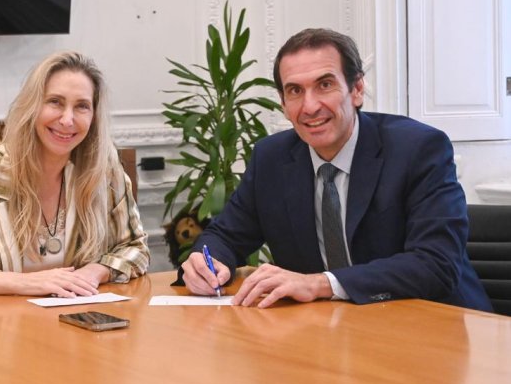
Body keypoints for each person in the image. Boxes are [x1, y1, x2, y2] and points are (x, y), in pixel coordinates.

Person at [181, 28, 492, 311]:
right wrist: (207, 261)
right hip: (330, 330)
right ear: (283, 103)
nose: (310, 106)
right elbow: (225, 235)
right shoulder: (271, 158)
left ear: (357, 89)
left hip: (432, 325)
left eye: (325, 85)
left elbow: (436, 264)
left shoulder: (418, 149)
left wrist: (321, 284)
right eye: (295, 91)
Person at [0, 51, 149, 297]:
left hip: (77, 316)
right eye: (55, 102)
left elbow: (136, 248)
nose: (67, 120)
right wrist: (20, 283)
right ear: (31, 106)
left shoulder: (106, 175)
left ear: (94, 116)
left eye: (82, 106)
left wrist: (96, 272)